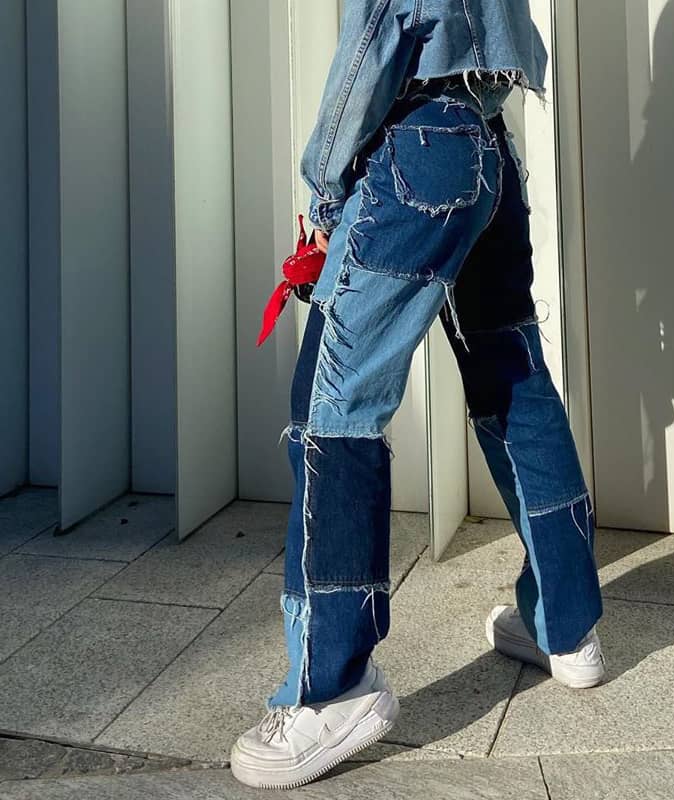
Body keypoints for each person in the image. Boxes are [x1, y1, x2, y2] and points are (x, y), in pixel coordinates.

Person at [231, 0, 604, 789]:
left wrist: (324, 191)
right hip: (488, 148)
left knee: (331, 411)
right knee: (513, 376)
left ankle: (333, 690)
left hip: (416, 152)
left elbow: (379, 28)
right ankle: (566, 626)